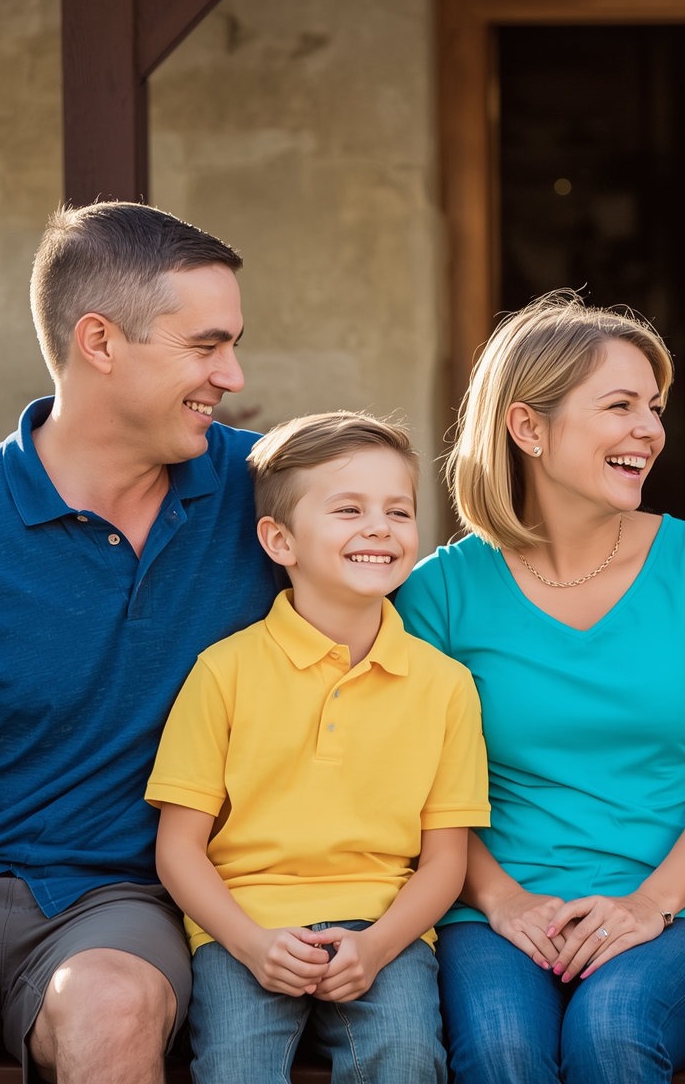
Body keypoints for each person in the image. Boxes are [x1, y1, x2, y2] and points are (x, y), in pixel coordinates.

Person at [0, 201, 279, 1083]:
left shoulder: (267, 498)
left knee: (111, 1008)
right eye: (205, 345)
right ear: (100, 342)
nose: (232, 373)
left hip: (116, 899)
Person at [395, 290, 685, 1084]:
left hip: (673, 907)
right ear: (528, 427)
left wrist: (650, 904)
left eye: (655, 408)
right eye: (620, 406)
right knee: (502, 1050)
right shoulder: (439, 594)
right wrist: (501, 901)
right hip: (490, 909)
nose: (649, 430)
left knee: (613, 1034)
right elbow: (419, 794)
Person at [147, 411, 489, 1083]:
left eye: (398, 510)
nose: (378, 528)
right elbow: (177, 848)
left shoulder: (445, 686)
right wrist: (250, 944)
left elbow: (445, 862)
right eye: (347, 510)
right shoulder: (224, 671)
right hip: (243, 923)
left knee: (406, 1056)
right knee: (236, 1064)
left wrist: (378, 945)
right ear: (279, 540)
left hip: (383, 927)